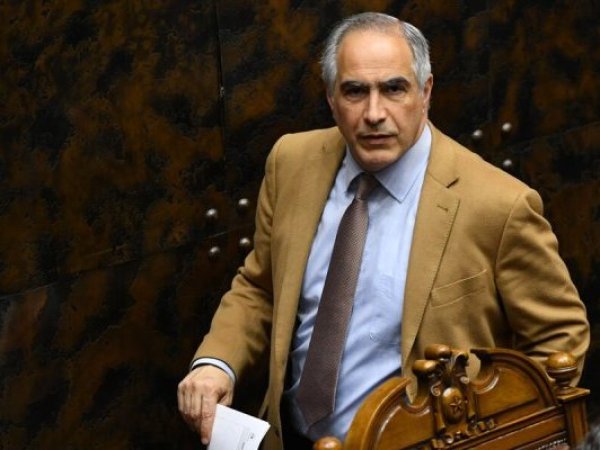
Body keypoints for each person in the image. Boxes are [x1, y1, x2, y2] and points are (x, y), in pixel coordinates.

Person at [177, 12, 590, 449]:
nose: (374, 114)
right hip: (290, 437)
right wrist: (217, 363)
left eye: (394, 88)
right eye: (355, 91)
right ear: (331, 98)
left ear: (425, 92)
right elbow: (261, 287)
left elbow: (559, 340)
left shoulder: (498, 205)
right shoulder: (291, 162)